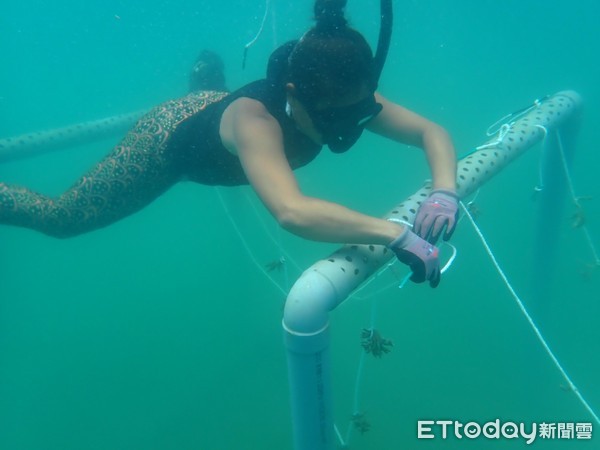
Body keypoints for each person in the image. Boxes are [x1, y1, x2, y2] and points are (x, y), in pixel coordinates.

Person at [0, 0, 458, 287]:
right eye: (334, 117)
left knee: (218, 104)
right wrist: (396, 233)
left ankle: (206, 81)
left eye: (358, 112)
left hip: (217, 114)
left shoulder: (345, 94)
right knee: (62, 219)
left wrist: (444, 190)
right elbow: (292, 212)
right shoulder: (256, 121)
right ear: (294, 96)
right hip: (166, 141)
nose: (347, 128)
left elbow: (429, 132)